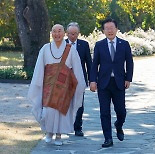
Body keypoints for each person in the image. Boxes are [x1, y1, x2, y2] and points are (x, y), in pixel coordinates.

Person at [28, 24, 86, 146]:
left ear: (64, 33)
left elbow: (77, 69)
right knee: (48, 110)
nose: (57, 34)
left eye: (59, 31)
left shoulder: (71, 49)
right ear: (51, 33)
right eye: (54, 31)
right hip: (48, 85)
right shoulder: (45, 48)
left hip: (64, 86)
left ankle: (59, 134)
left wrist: (79, 84)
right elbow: (39, 67)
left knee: (61, 110)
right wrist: (39, 82)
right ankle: (49, 132)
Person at [90, 18, 134, 148]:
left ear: (116, 29)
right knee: (104, 112)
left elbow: (129, 63)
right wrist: (92, 80)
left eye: (112, 28)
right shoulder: (99, 45)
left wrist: (128, 79)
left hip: (119, 82)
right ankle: (108, 138)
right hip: (103, 83)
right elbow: (94, 65)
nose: (109, 30)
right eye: (107, 28)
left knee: (121, 111)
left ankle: (118, 125)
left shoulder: (124, 44)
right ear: (103, 31)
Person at [66, 22, 92, 136]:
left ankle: (78, 127)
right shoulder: (61, 44)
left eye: (75, 33)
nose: (73, 36)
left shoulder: (84, 45)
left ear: (78, 33)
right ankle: (64, 126)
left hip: (79, 79)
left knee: (79, 104)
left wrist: (92, 80)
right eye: (71, 34)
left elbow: (89, 64)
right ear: (67, 33)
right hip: (64, 79)